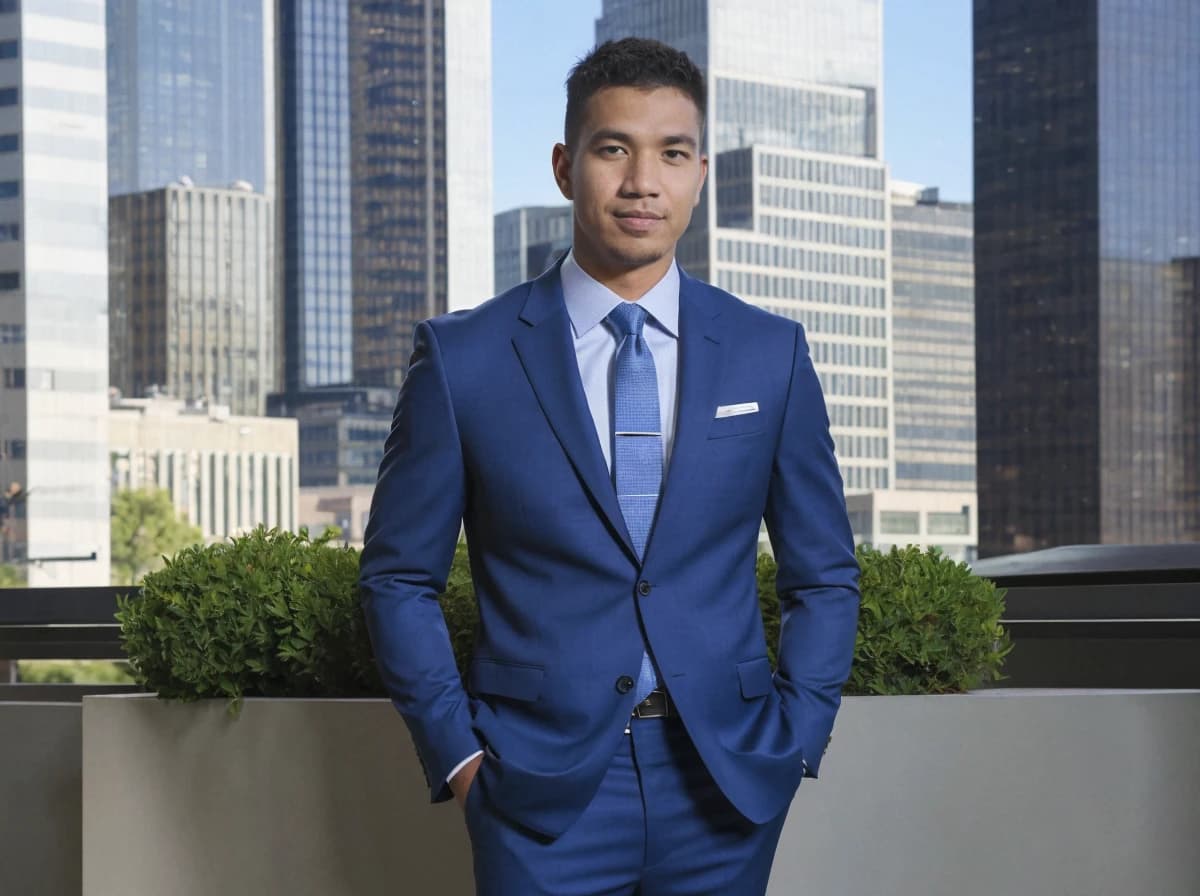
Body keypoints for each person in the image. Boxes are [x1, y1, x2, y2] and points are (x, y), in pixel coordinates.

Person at [359, 36, 860, 896]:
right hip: (536, 787)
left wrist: (798, 736)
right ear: (565, 166)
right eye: (613, 149)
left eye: (671, 153)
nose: (642, 182)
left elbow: (825, 575)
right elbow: (396, 579)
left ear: (701, 173)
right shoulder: (463, 357)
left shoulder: (767, 353)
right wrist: (463, 757)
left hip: (726, 784)